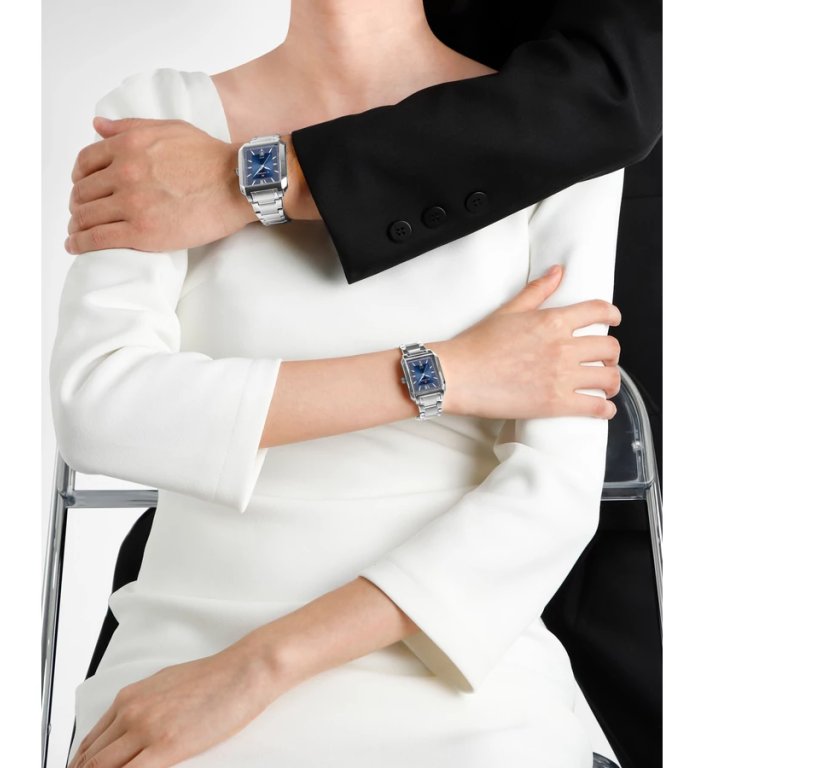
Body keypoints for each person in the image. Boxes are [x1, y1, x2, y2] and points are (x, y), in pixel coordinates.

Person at [64, 1, 663, 765]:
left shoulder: (566, 142)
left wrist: (256, 669)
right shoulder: (159, 116)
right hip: (181, 647)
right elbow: (100, 406)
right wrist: (449, 371)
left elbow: (552, 496)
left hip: (458, 669)